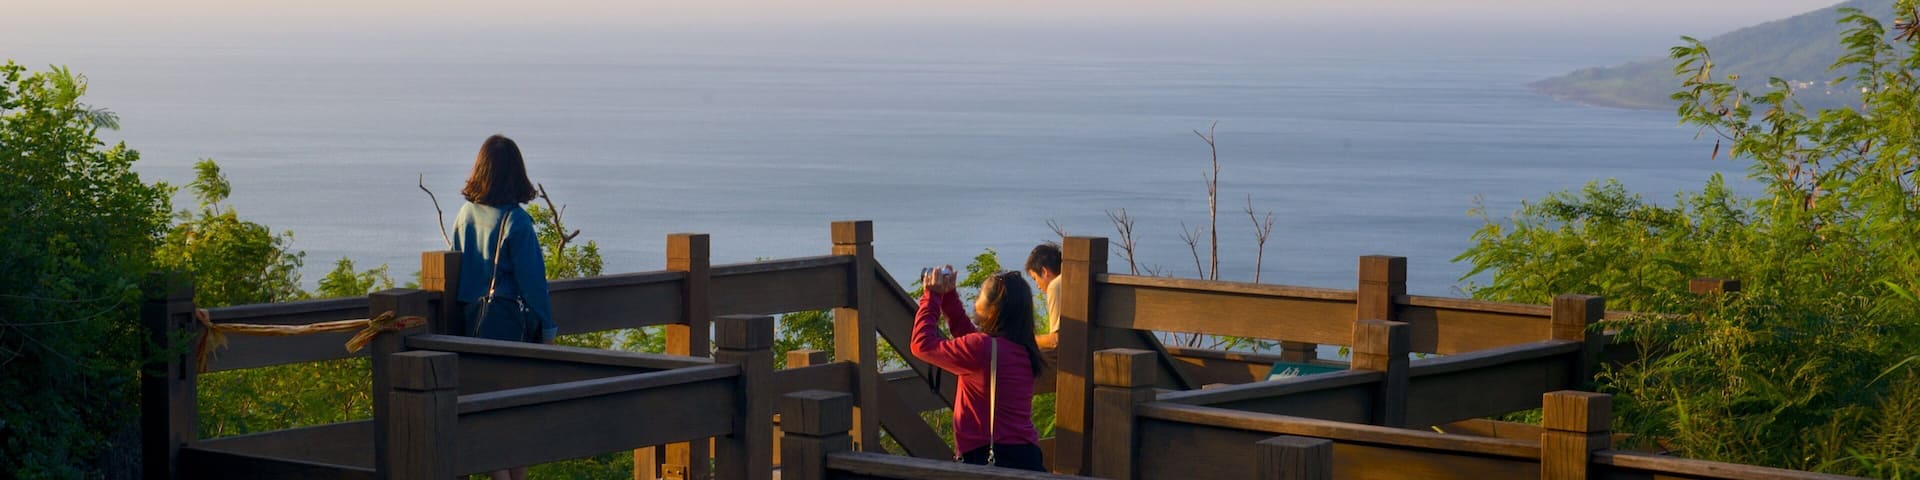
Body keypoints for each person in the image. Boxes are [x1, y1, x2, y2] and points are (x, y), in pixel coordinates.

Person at [450, 134, 555, 480]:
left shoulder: (465, 215)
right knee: (515, 413)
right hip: (508, 329)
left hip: (468, 327)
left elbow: (455, 268)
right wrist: (549, 330)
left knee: (483, 409)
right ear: (516, 173)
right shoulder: (518, 223)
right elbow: (534, 285)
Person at [911, 268, 1047, 471]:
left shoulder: (982, 349)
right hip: (1025, 455)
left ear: (994, 308)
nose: (974, 301)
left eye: (978, 296)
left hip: (989, 457)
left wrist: (932, 297)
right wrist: (949, 297)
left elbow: (922, 345)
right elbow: (973, 343)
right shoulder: (1023, 347)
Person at [1026, 243, 1063, 350]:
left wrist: (1025, 340)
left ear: (1044, 271)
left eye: (1035, 278)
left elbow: (1055, 340)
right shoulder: (1070, 280)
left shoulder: (1055, 286)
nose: (1037, 286)